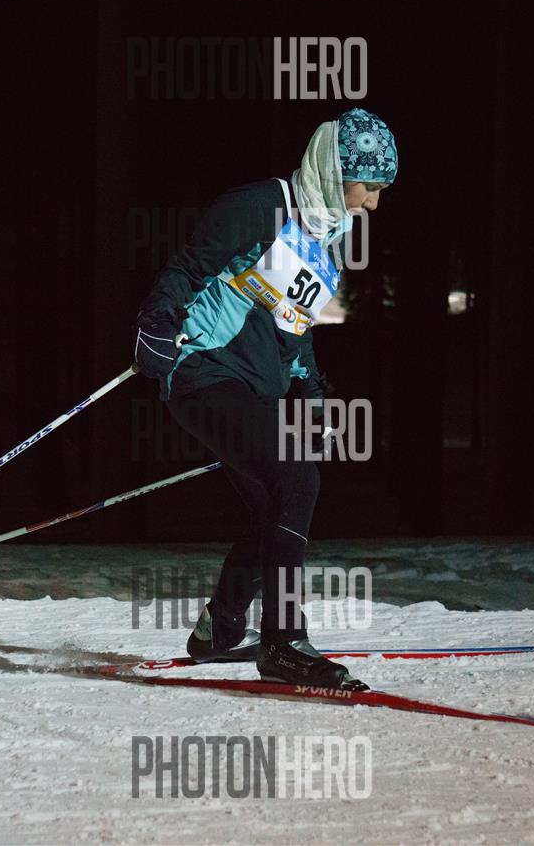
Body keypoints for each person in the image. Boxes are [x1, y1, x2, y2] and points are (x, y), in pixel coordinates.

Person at [133, 108, 397, 689]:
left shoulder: (327, 237)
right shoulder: (258, 206)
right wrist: (155, 323)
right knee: (296, 481)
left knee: (273, 506)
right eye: (369, 187)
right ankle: (282, 641)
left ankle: (220, 631)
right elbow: (188, 268)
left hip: (257, 387)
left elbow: (296, 326)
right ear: (336, 170)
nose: (373, 204)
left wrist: (310, 391)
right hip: (204, 370)